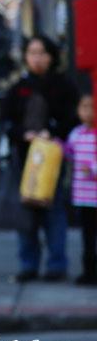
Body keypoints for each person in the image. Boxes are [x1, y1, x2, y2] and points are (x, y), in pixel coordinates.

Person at [2, 36, 78, 282]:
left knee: (53, 212)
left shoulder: (63, 86)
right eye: (32, 52)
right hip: (23, 160)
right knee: (26, 216)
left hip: (52, 161)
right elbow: (6, 122)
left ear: (52, 56)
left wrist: (51, 134)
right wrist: (24, 134)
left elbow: (72, 120)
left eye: (42, 53)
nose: (37, 58)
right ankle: (28, 264)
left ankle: (57, 265)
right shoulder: (18, 88)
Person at [66, 94, 97, 285]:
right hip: (83, 195)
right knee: (87, 235)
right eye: (84, 107)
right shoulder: (76, 133)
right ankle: (89, 270)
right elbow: (68, 152)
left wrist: (93, 169)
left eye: (91, 107)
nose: (87, 112)